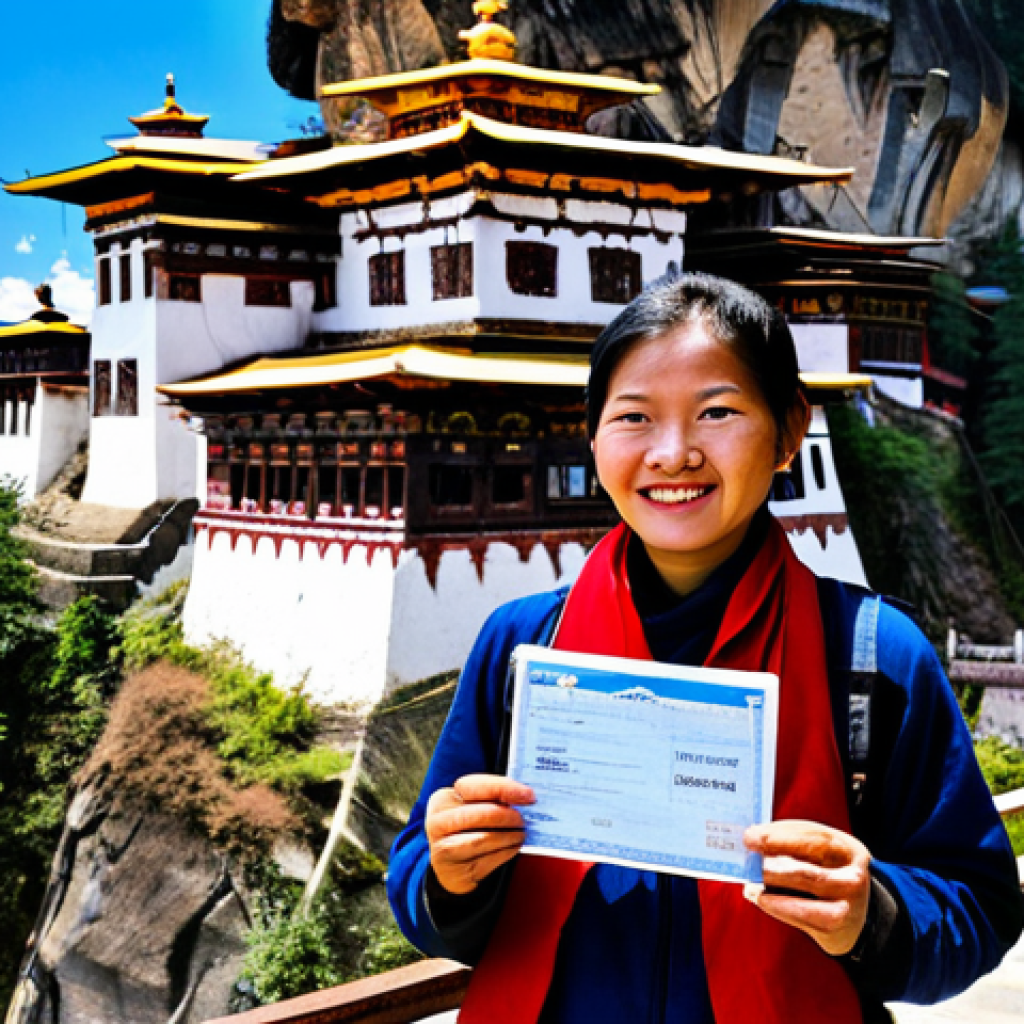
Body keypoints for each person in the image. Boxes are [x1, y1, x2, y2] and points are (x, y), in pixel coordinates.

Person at [387, 273, 1023, 1023]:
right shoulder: (523, 643)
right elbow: (420, 885)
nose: (673, 453)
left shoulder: (874, 655)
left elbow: (976, 905)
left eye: (717, 412)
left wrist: (872, 910)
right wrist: (451, 872)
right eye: (633, 418)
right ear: (592, 438)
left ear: (789, 431)